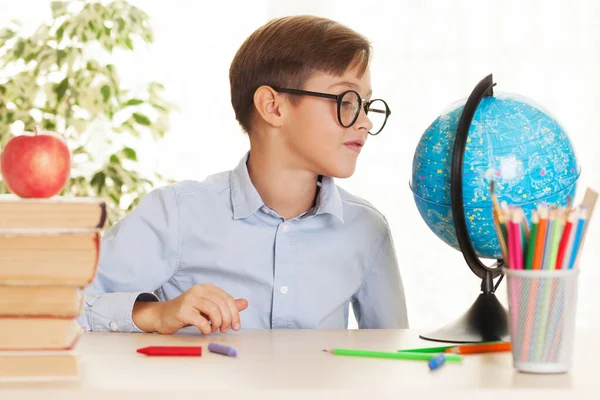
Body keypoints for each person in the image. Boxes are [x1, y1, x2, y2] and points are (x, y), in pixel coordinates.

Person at [80, 15, 408, 335]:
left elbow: (393, 354)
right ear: (273, 107)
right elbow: (67, 305)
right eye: (348, 101)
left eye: (366, 104)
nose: (365, 121)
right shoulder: (176, 214)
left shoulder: (366, 230)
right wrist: (154, 313)